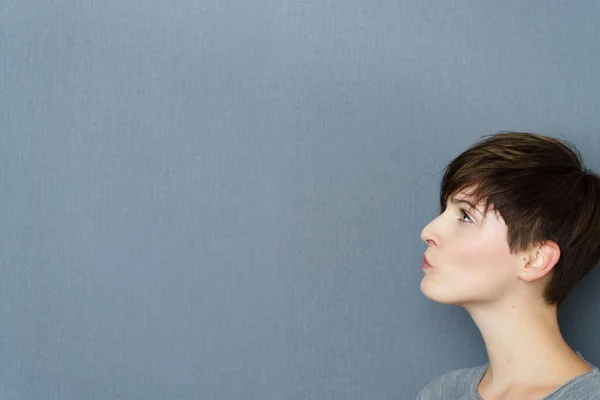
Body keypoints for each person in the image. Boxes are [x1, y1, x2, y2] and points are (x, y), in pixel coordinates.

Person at [416, 132, 600, 399]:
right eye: (445, 210)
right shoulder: (441, 394)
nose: (428, 231)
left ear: (535, 259)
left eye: (465, 215)